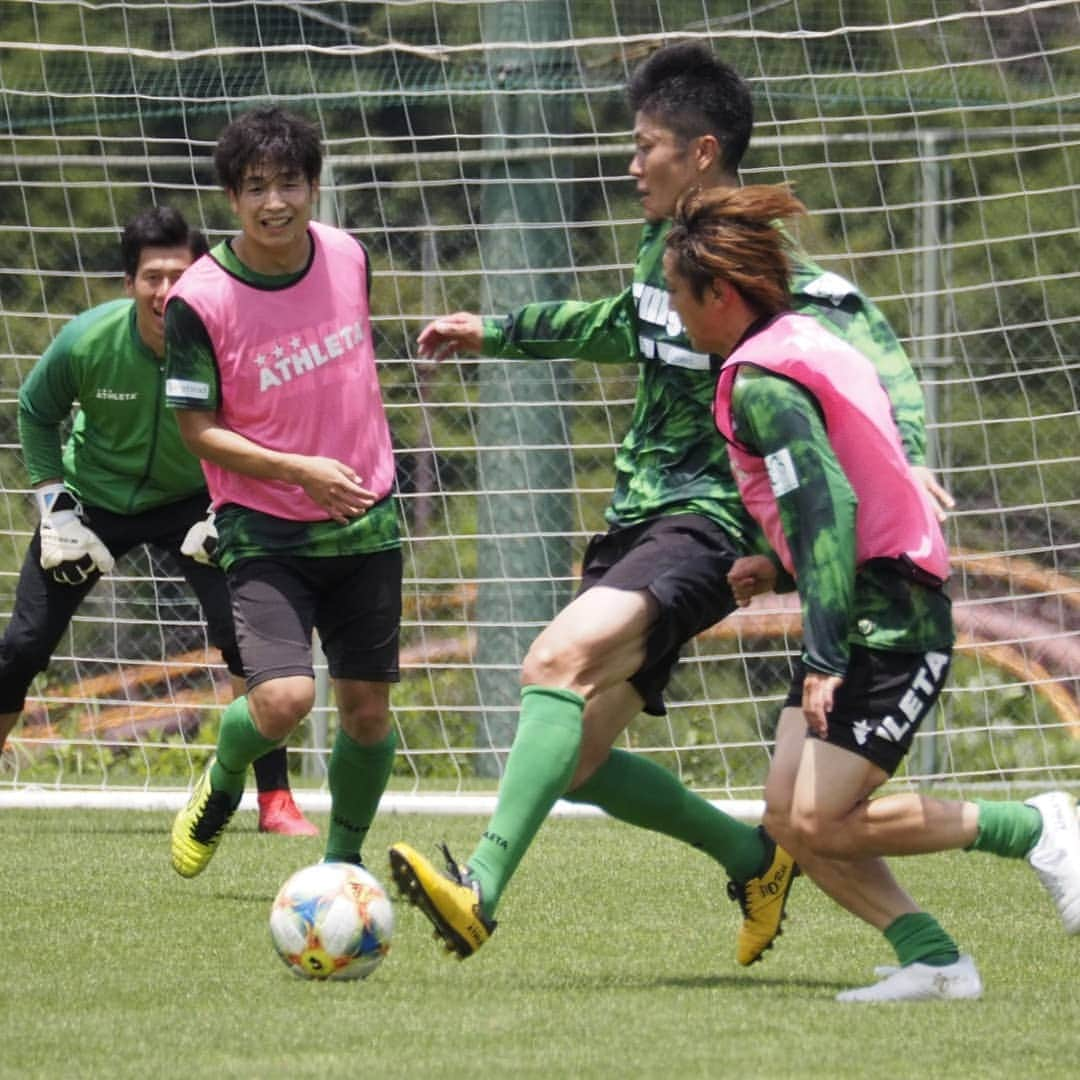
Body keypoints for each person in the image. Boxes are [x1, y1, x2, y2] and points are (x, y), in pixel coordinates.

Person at [388, 42, 950, 964]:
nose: (630, 159)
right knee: (574, 763)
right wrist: (493, 330)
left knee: (555, 660)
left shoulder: (762, 263)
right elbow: (622, 323)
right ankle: (753, 857)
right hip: (640, 514)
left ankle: (479, 889)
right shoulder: (665, 250)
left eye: (645, 143)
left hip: (712, 522)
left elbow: (865, 334)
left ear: (700, 153)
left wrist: (912, 453)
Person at [662, 181, 1080, 1002]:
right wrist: (777, 568)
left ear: (720, 293)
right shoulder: (794, 341)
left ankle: (1038, 827)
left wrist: (819, 653)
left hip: (888, 618)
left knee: (821, 820)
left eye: (680, 297)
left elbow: (828, 511)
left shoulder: (762, 384)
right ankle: (932, 960)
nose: (676, 316)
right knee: (788, 816)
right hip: (858, 602)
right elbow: (851, 487)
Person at [2, 205, 317, 837]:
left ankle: (275, 799)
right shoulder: (86, 341)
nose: (165, 289)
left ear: (203, 277)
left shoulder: (228, 348)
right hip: (89, 500)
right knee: (23, 645)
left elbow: (261, 428)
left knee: (250, 642)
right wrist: (54, 504)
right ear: (129, 284)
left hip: (194, 502)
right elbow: (36, 412)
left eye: (180, 273)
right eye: (151, 276)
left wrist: (228, 503)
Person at [163, 107, 401, 878]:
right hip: (265, 526)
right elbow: (197, 429)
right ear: (231, 198)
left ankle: (340, 867)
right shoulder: (199, 300)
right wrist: (301, 470)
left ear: (314, 186)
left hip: (366, 516)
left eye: (290, 184)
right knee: (283, 702)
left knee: (367, 713)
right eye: (256, 187)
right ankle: (224, 776)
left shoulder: (348, 254)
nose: (275, 202)